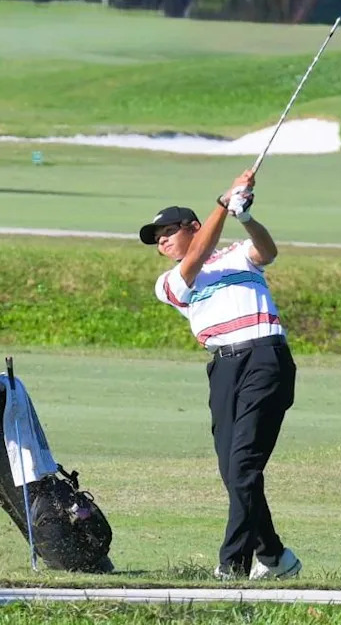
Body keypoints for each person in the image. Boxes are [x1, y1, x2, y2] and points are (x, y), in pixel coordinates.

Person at [138, 169, 301, 581]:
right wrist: (223, 204)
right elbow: (195, 258)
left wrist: (243, 214)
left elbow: (268, 251)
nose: (162, 241)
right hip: (223, 368)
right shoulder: (170, 282)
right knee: (233, 472)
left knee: (243, 466)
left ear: (194, 227)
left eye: (168, 231)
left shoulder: (236, 254)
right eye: (157, 239)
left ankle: (231, 566)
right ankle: (276, 557)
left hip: (265, 357)